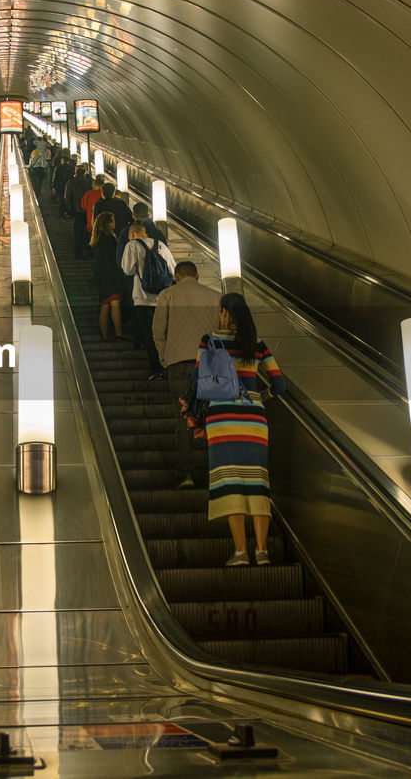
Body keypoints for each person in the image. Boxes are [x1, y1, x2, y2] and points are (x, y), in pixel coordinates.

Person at [193, 292, 286, 566]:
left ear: (224, 313)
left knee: (230, 483)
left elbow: (200, 376)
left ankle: (241, 553)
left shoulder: (209, 341)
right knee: (258, 484)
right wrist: (259, 398)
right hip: (254, 420)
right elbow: (279, 385)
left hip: (222, 419)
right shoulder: (257, 345)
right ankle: (262, 551)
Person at [153, 261, 223, 488]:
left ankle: (186, 475)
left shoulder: (167, 295)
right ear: (198, 276)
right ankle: (219, 474)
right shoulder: (215, 296)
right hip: (209, 363)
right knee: (213, 416)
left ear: (176, 276)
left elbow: (158, 330)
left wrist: (165, 357)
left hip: (178, 363)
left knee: (183, 418)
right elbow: (223, 331)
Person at [120, 222, 176, 379]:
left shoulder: (132, 245)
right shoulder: (161, 246)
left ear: (132, 234)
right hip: (163, 299)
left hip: (142, 299)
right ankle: (169, 364)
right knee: (165, 333)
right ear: (145, 233)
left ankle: (156, 368)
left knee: (149, 334)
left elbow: (127, 269)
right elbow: (173, 269)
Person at [89, 212, 128, 340]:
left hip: (102, 277)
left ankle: (105, 335)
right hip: (113, 275)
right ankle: (119, 333)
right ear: (108, 223)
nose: (114, 223)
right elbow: (116, 258)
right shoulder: (109, 239)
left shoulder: (96, 239)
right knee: (115, 304)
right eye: (112, 221)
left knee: (105, 306)